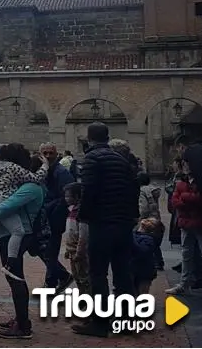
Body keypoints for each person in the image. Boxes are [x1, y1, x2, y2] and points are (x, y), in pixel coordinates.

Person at [73, 122, 139, 338]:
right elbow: (132, 189)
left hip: (102, 223)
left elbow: (88, 191)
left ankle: (100, 323)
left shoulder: (92, 158)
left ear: (89, 138)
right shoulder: (120, 159)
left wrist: (82, 216)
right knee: (122, 274)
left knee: (98, 273)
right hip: (123, 223)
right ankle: (127, 321)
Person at [0, 153, 45, 341]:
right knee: (14, 279)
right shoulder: (27, 185)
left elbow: (9, 205)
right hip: (9, 235)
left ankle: (23, 326)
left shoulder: (31, 187)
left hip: (17, 235)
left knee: (16, 279)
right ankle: (20, 318)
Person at [0, 145, 47, 281]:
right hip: (1, 202)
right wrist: (45, 166)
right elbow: (35, 178)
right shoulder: (15, 167)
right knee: (18, 231)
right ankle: (10, 263)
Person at [39, 142, 74, 292]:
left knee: (50, 250)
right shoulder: (42, 170)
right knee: (45, 250)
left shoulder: (61, 172)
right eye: (45, 153)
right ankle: (55, 278)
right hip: (45, 216)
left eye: (50, 153)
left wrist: (49, 207)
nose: (48, 156)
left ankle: (54, 280)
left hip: (55, 217)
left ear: (56, 153)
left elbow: (67, 195)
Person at [166, 155, 202, 296]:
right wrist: (189, 200)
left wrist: (185, 198)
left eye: (187, 163)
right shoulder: (181, 182)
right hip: (186, 222)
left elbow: (198, 200)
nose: (185, 166)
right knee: (186, 254)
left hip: (198, 222)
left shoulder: (197, 182)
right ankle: (184, 283)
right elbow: (175, 202)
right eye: (184, 164)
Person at [62, 183, 90, 297]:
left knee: (84, 277)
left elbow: (83, 235)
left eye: (68, 196)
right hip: (72, 251)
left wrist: (80, 251)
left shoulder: (81, 212)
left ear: (77, 196)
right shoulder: (71, 211)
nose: (66, 198)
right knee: (77, 276)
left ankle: (88, 299)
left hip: (80, 252)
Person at [132, 218, 163, 295]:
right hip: (142, 269)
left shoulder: (148, 239)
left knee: (142, 291)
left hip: (143, 270)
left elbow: (143, 251)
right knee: (140, 290)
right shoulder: (138, 235)